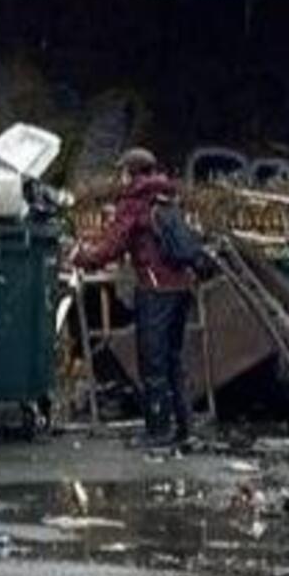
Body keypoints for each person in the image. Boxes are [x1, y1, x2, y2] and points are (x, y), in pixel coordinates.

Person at [72, 149, 207, 450]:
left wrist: (82, 257)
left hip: (155, 289)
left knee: (152, 362)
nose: (119, 178)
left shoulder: (134, 202)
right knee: (174, 359)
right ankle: (185, 428)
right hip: (182, 287)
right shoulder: (167, 197)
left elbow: (113, 245)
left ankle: (158, 431)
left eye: (122, 172)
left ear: (131, 173)